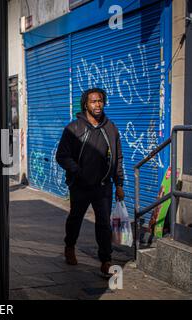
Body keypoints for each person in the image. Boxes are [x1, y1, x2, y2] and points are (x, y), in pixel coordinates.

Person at [55, 88, 124, 276]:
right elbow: (61, 156)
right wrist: (77, 171)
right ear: (86, 104)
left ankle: (106, 260)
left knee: (103, 223)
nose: (97, 105)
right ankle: (69, 246)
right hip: (80, 186)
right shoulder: (74, 128)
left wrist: (119, 184)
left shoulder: (111, 128)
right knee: (75, 218)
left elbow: (118, 158)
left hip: (103, 186)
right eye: (93, 101)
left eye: (100, 101)